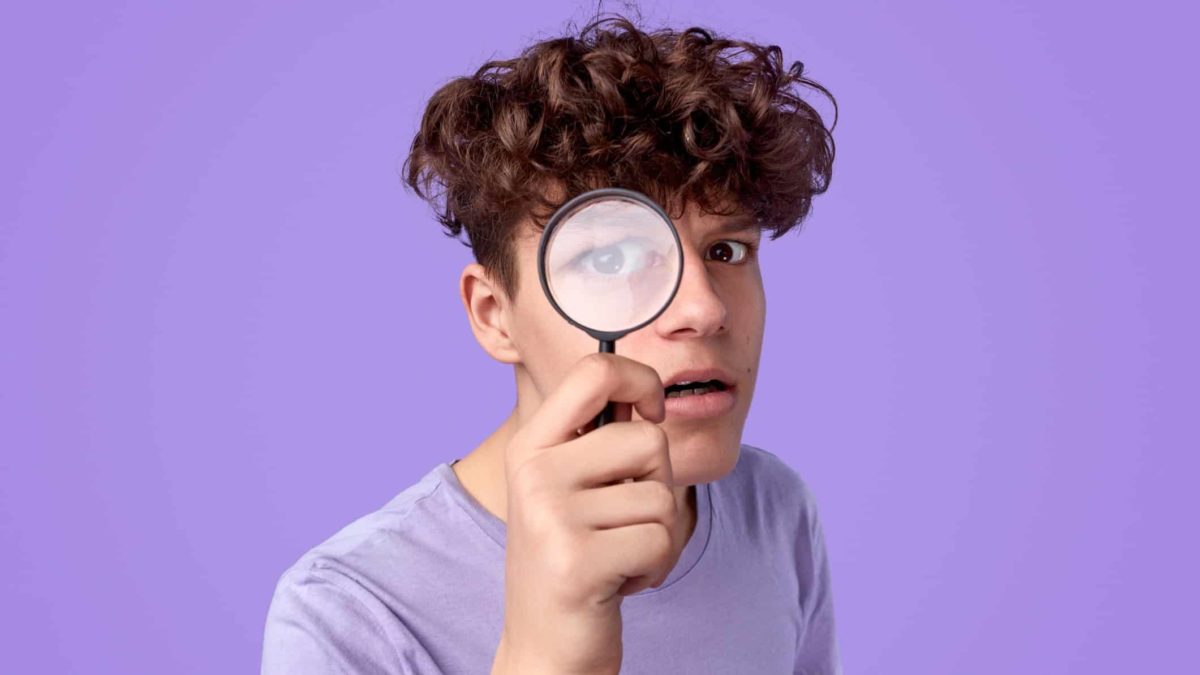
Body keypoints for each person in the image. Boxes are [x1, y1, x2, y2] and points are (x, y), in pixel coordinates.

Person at [262, 14, 840, 674]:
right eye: (614, 259)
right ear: (494, 314)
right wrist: (543, 654)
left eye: (727, 250)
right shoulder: (351, 613)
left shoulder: (775, 511)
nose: (704, 308)